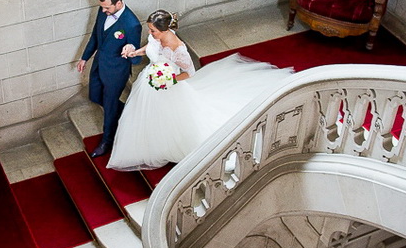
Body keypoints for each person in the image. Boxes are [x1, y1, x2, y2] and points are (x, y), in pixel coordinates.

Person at [107, 10, 294, 171]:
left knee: (173, 119)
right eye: (150, 29)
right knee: (147, 114)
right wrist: (136, 52)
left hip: (170, 85)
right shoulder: (157, 37)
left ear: (164, 30)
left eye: (153, 30)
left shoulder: (178, 49)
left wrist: (169, 80)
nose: (150, 32)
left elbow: (190, 73)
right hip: (150, 81)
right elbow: (151, 46)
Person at [77, 0, 142, 157]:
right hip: (99, 64)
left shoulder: (132, 24)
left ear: (119, 3)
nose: (103, 10)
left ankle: (107, 141)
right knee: (95, 96)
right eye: (102, 7)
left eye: (107, 7)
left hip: (116, 71)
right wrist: (84, 57)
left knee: (110, 103)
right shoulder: (103, 11)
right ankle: (125, 113)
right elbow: (94, 37)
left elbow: (137, 58)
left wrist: (130, 50)